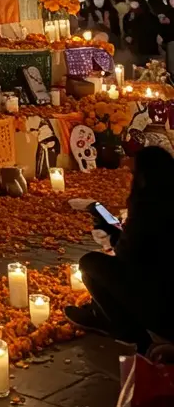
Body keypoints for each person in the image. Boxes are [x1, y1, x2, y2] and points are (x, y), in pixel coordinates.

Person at [66, 148, 174, 349]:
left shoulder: (148, 208)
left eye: (134, 174)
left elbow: (127, 256)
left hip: (164, 312)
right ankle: (101, 314)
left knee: (89, 264)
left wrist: (110, 236)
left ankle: (126, 330)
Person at [123, 0, 161, 65]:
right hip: (135, 47)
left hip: (147, 47)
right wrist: (127, 36)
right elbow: (126, 28)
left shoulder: (149, 16)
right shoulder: (128, 16)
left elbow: (153, 29)